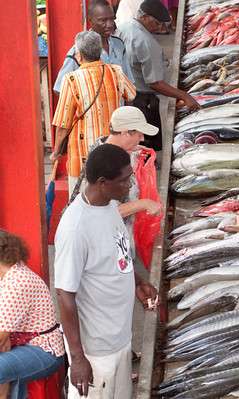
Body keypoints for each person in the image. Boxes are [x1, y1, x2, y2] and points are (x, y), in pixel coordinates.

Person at [54, 144, 158, 399]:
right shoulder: (75, 228)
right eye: (124, 180)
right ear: (102, 182)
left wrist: (137, 282)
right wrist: (77, 358)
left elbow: (117, 256)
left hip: (120, 337)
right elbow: (64, 294)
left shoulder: (110, 207)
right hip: (96, 350)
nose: (129, 184)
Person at [51, 30, 136, 195]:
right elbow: (132, 93)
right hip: (112, 149)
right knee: (111, 200)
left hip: (83, 157)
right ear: (99, 52)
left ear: (79, 54)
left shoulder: (72, 80)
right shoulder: (116, 71)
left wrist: (56, 152)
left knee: (83, 201)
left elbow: (63, 125)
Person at [118, 0, 200, 152]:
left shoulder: (125, 27)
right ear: (145, 17)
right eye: (157, 23)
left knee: (129, 141)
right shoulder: (146, 42)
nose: (161, 28)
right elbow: (155, 83)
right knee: (148, 145)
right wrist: (184, 96)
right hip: (143, 102)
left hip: (124, 94)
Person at [0, 230, 65, 399]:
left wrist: (5, 339)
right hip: (22, 343)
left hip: (43, 350)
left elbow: (1, 336)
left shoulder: (16, 282)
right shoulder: (9, 275)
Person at [54, 0, 134, 94]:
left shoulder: (119, 45)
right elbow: (60, 89)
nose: (109, 24)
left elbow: (128, 85)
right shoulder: (79, 50)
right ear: (90, 21)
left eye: (112, 19)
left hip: (118, 108)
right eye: (103, 20)